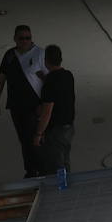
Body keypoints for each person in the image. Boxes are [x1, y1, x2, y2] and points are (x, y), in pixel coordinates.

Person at [0, 24, 45, 178]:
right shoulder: (9, 55)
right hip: (16, 106)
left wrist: (44, 104)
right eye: (21, 38)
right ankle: (31, 170)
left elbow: (49, 81)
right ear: (15, 39)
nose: (25, 41)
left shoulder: (40, 54)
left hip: (34, 106)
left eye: (28, 38)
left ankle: (37, 171)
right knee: (24, 139)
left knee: (33, 139)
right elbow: (1, 77)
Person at [33, 44, 75, 176]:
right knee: (65, 161)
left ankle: (60, 192)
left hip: (56, 131)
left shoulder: (50, 83)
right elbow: (58, 85)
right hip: (68, 127)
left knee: (56, 165)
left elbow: (46, 113)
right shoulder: (68, 75)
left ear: (46, 61)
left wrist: (38, 134)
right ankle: (66, 187)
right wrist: (44, 78)